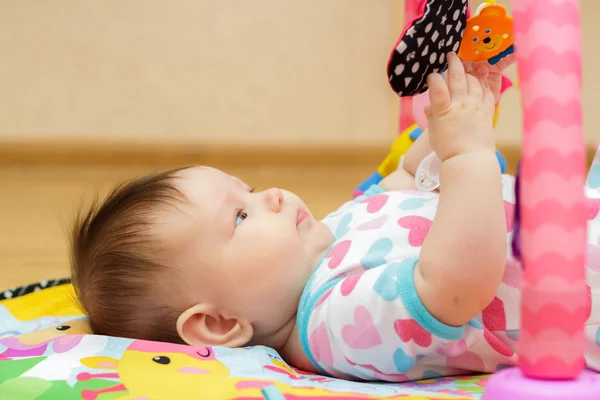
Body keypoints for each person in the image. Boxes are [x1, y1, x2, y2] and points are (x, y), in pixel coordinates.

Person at [70, 53, 600, 381]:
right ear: (219, 324)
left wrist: (450, 117)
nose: (272, 195)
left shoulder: (323, 242)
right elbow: (457, 285)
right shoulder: (333, 327)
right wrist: (468, 155)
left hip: (576, 215)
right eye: (240, 216)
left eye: (249, 190)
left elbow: (399, 187)